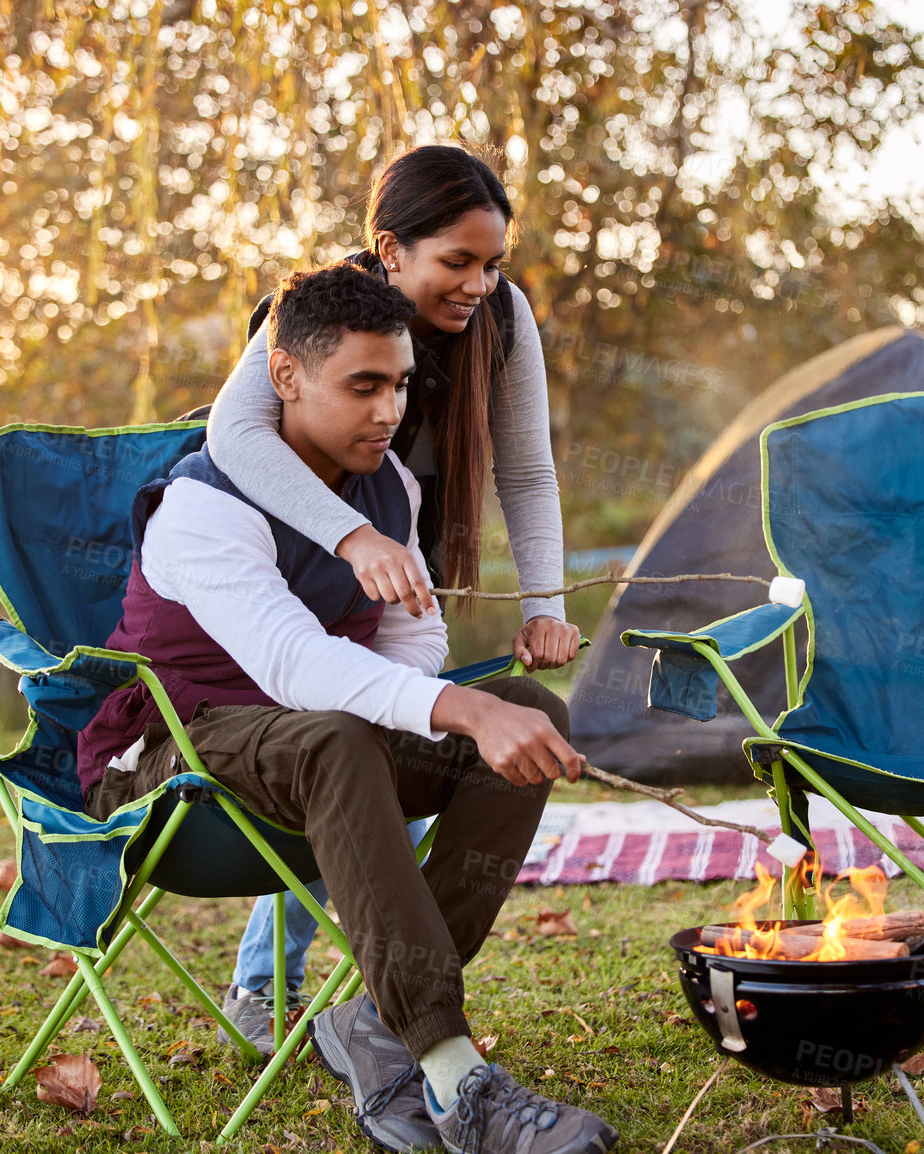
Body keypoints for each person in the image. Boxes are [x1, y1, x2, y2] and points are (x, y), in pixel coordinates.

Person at [77, 264, 617, 1154]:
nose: (388, 411)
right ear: (283, 377)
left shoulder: (389, 491)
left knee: (519, 700)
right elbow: (292, 664)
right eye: (362, 386)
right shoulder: (203, 507)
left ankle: (375, 1019)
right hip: (171, 755)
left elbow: (410, 637)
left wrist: (462, 708)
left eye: (400, 384)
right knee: (347, 731)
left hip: (313, 749)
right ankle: (452, 1074)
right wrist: (453, 712)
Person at [207, 143, 581, 1037]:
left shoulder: (505, 319)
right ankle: (277, 986)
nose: (479, 284)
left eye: (492, 263)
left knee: (387, 755)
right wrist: (350, 534)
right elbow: (234, 436)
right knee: (346, 761)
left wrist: (545, 604)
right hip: (298, 563)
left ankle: (378, 1008)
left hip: (405, 555)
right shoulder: (319, 313)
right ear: (390, 249)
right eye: (457, 262)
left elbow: (525, 474)